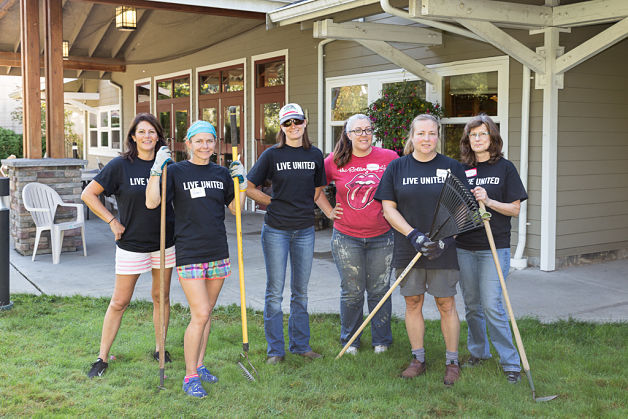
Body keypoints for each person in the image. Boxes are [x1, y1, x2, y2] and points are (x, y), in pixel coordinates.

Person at [146, 120, 246, 398]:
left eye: (210, 141)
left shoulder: (221, 173)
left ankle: (199, 365)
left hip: (218, 251)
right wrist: (156, 170)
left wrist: (242, 184)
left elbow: (236, 209)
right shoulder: (175, 171)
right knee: (200, 313)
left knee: (207, 314)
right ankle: (190, 377)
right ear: (188, 143)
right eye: (198, 141)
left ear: (215, 145)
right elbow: (152, 202)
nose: (205, 146)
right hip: (189, 252)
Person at [374, 113, 468, 386]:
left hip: (443, 249)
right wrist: (413, 235)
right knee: (412, 302)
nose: (426, 139)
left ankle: (452, 361)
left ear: (438, 136)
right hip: (408, 247)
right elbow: (388, 208)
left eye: (431, 133)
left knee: (446, 303)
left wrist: (445, 241)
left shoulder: (452, 167)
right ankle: (418, 358)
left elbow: (462, 209)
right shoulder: (397, 168)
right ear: (412, 137)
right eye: (421, 133)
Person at [81, 113, 175, 378]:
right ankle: (101, 357)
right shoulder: (120, 165)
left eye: (152, 132)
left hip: (164, 243)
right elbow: (88, 194)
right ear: (133, 136)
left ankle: (160, 348)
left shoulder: (167, 164)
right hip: (131, 243)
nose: (148, 136)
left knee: (161, 297)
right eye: (142, 132)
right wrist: (112, 220)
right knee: (120, 301)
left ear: (159, 136)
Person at [246, 103, 326, 364]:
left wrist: (302, 204)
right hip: (276, 231)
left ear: (305, 122)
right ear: (281, 127)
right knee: (275, 291)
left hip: (304, 230)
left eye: (297, 122)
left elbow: (317, 189)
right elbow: (248, 186)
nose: (293, 127)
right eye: (287, 123)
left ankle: (301, 345)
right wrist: (273, 202)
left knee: (300, 291)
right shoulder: (271, 155)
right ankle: (275, 351)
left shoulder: (315, 154)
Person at [315, 114, 397, 355]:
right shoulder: (334, 161)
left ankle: (381, 340)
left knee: (380, 289)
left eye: (368, 129)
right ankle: (350, 340)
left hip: (382, 235)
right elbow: (316, 189)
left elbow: (400, 189)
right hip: (346, 237)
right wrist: (329, 211)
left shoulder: (390, 158)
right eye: (357, 131)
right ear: (348, 135)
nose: (363, 134)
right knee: (351, 290)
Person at [456, 114, 527, 384]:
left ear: (492, 138)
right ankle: (478, 352)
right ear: (467, 140)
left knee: (492, 306)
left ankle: (511, 362)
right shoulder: (460, 169)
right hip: (464, 246)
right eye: (473, 135)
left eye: (482, 134)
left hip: (494, 247)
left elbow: (515, 209)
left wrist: (488, 200)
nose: (477, 139)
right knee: (472, 305)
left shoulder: (505, 168)